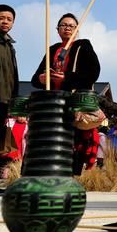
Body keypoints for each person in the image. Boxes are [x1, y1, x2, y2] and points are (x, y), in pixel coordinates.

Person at [31, 13, 101, 175]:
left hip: (73, 101)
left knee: (73, 140)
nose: (67, 28)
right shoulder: (52, 49)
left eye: (71, 25)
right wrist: (42, 79)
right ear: (57, 29)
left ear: (77, 29)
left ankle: (69, 176)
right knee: (52, 139)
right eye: (63, 25)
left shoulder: (83, 46)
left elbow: (93, 73)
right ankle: (47, 174)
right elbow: (35, 79)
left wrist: (67, 77)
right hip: (53, 103)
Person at [0, 5, 20, 177]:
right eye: (1, 18)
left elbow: (12, 74)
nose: (5, 22)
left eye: (9, 19)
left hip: (5, 99)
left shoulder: (9, 44)